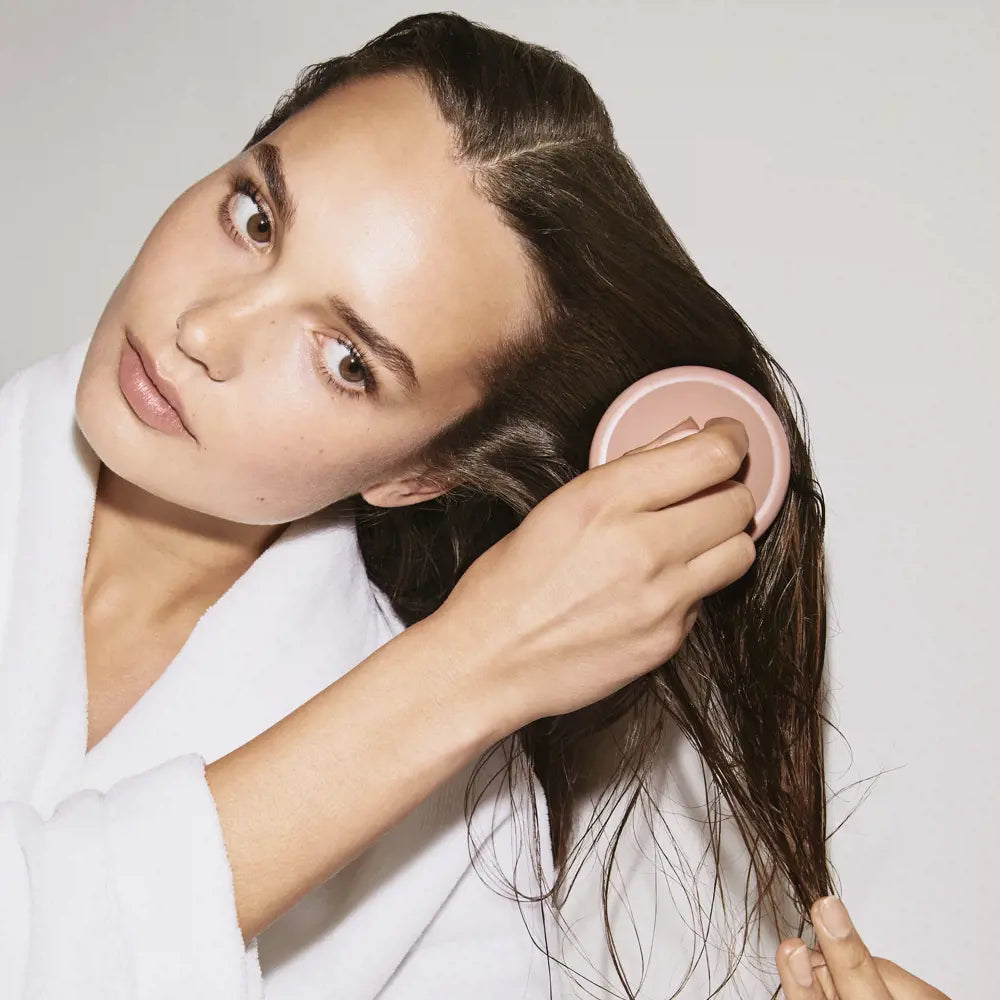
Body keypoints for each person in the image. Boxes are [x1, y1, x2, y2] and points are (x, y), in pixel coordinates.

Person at [0, 11, 952, 1000]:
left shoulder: (462, 828)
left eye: (348, 360)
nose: (205, 329)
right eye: (256, 219)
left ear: (419, 472)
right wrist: (471, 665)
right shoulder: (452, 702)